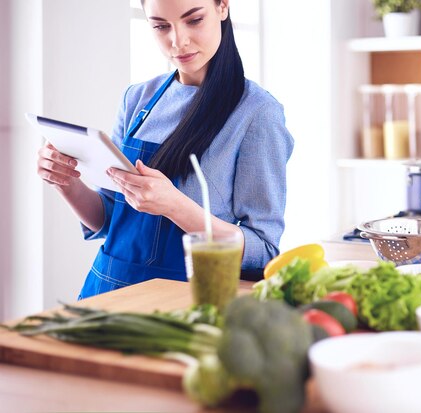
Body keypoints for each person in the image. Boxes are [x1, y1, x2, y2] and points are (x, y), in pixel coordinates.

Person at [36, 0, 294, 299]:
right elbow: (109, 219)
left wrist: (174, 205)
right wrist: (66, 182)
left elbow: (262, 249)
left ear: (222, 7)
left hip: (185, 301)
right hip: (106, 292)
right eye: (161, 26)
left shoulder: (257, 113)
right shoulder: (137, 98)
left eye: (194, 20)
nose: (177, 41)